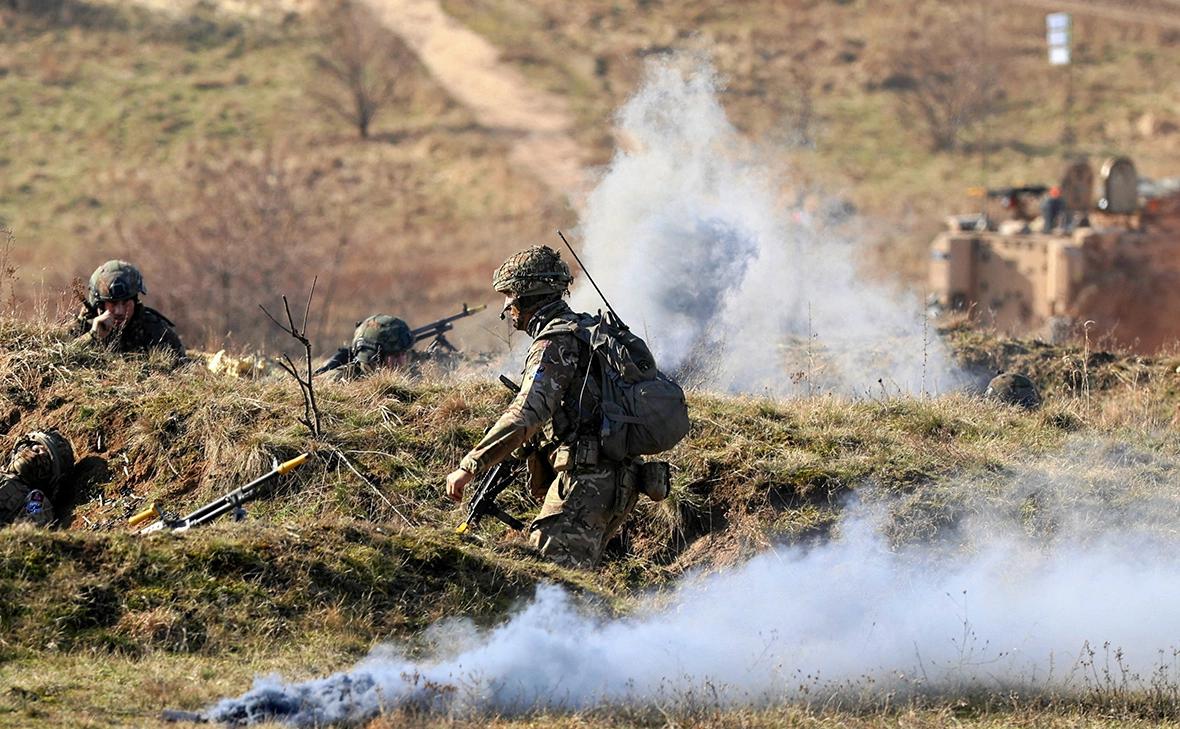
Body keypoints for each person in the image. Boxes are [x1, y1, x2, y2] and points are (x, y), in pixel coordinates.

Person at [445, 245, 642, 568]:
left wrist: (469, 466)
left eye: (509, 295)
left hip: (587, 481)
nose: (507, 307)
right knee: (572, 583)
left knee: (552, 581)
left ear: (529, 294)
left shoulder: (554, 342)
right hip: (613, 478)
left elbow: (528, 411)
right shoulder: (582, 330)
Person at [76, 260, 185, 360]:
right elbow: (68, 360)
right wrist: (93, 336)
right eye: (113, 303)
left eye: (125, 303)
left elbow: (181, 368)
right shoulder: (81, 328)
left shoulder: (157, 330)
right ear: (100, 304)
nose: (119, 311)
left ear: (134, 301)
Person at [0, 429, 75, 527]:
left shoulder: (36, 500)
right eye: (36, 450)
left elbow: (21, 532)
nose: (36, 456)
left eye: (45, 461)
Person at [315, 314, 414, 382]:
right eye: (395, 356)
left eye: (403, 354)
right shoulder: (338, 381)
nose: (401, 362)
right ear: (374, 357)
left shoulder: (405, 376)